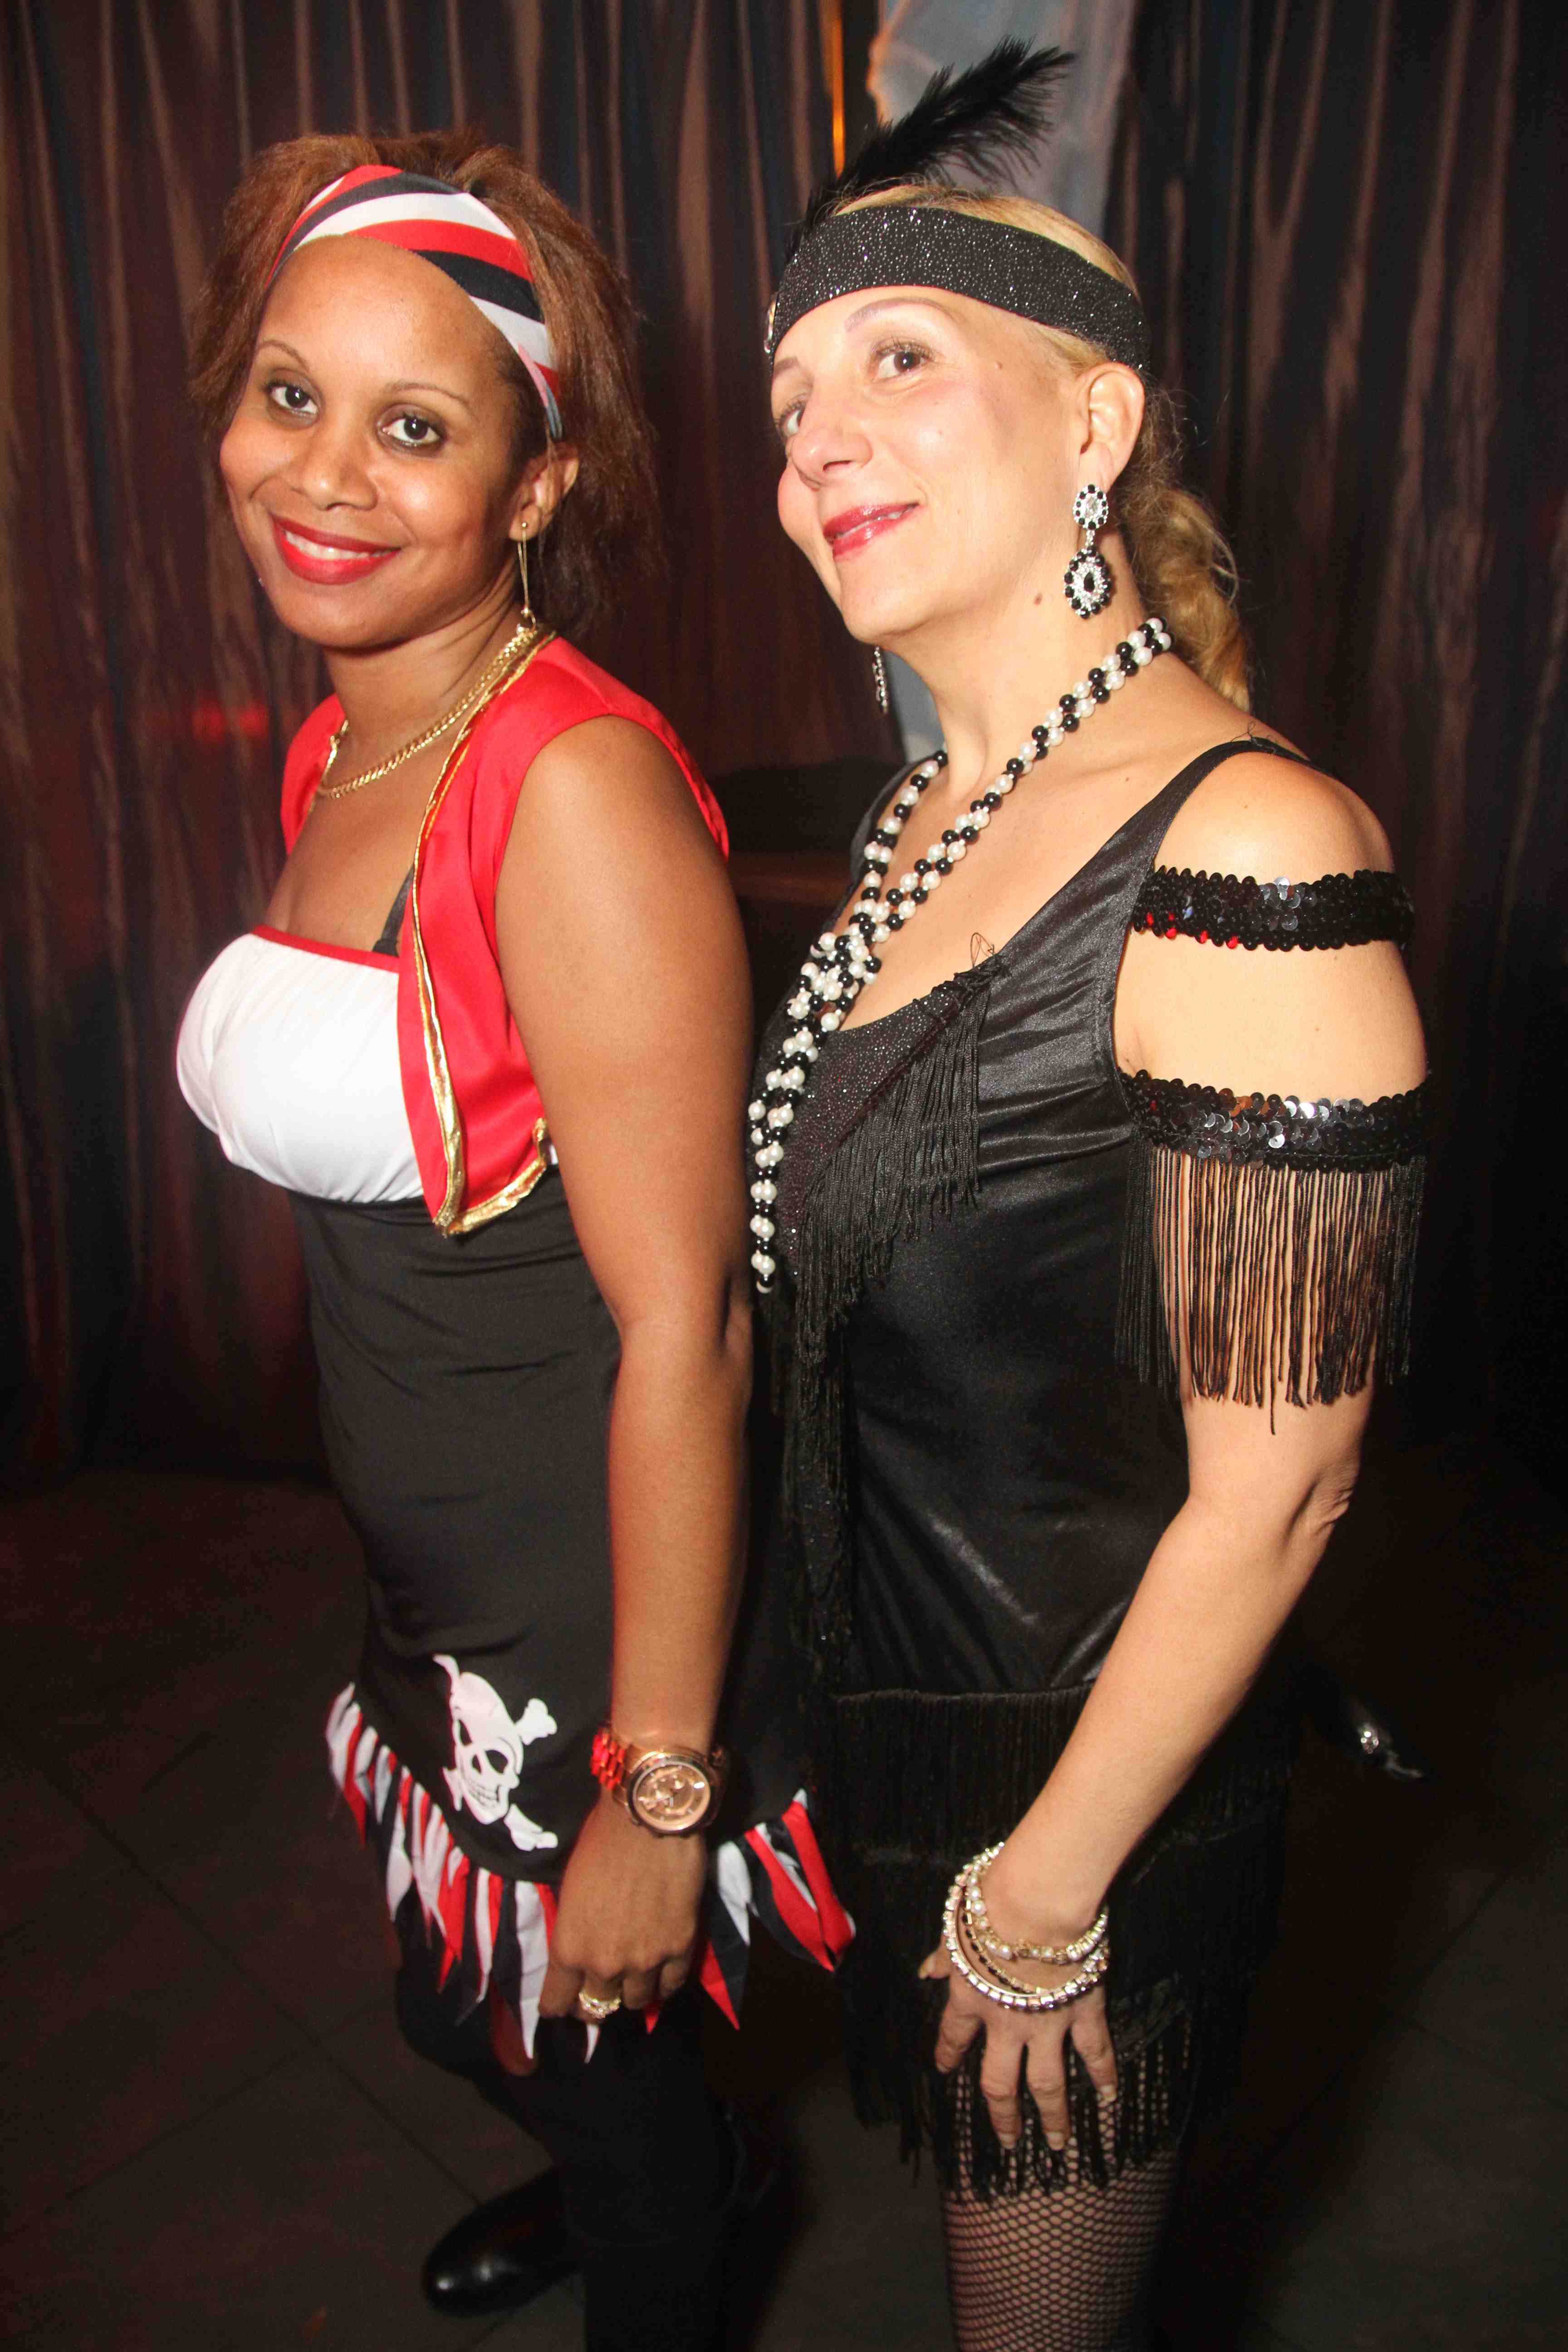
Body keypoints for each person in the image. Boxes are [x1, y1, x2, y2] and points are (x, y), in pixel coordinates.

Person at [754, 46, 1426, 2352]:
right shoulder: (915, 823)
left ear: (1097, 426)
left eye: (896, 360)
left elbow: (1287, 1481)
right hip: (903, 1747)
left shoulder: (1250, 848)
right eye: (789, 402)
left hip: (1083, 1808)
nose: (814, 443)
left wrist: (1043, 1897)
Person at [176, 132, 847, 2352]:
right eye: (290, 395)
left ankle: (686, 2216)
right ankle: (678, 2164)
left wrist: (660, 1782)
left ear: (534, 485)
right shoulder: (342, 742)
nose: (325, 475)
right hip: (434, 1556)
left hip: (589, 1578)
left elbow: (689, 1329)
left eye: (416, 427)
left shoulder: (571, 793)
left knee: (601, 2071)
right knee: (459, 2006)